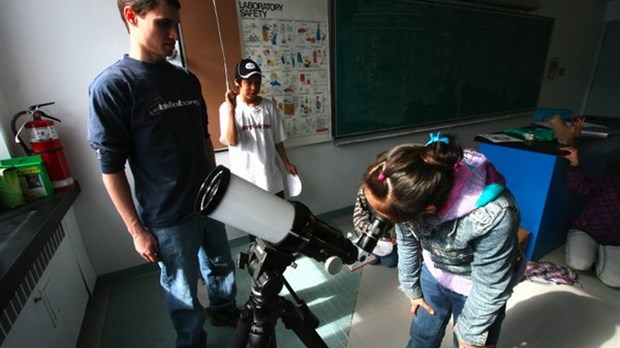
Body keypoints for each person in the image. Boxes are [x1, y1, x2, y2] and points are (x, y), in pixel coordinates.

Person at [87, 1, 238, 346]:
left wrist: (219, 191)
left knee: (220, 265)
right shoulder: (113, 86)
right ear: (132, 16)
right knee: (182, 287)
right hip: (168, 216)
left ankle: (225, 310)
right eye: (164, 24)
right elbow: (110, 168)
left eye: (177, 25)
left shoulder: (185, 80)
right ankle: (192, 340)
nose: (174, 35)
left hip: (210, 204)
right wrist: (136, 230)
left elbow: (203, 140)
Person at [360, 132, 524, 348]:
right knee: (422, 337)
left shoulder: (496, 214)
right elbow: (408, 243)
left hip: (477, 288)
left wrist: (472, 331)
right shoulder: (408, 193)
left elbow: (490, 283)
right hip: (435, 273)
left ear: (428, 210)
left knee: (467, 342)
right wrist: (412, 289)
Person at [218, 58, 297, 199]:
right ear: (237, 83)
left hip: (271, 179)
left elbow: (277, 138)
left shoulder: (268, 107)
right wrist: (231, 110)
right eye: (248, 83)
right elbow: (231, 141)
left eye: (257, 83)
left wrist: (286, 162)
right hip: (246, 182)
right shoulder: (226, 108)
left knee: (277, 217)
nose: (254, 88)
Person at [560, 146, 620, 288]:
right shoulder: (613, 182)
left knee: (614, 280)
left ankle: (600, 256)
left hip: (615, 241)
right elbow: (580, 186)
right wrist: (575, 164)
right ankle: (592, 253)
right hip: (587, 229)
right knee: (578, 263)